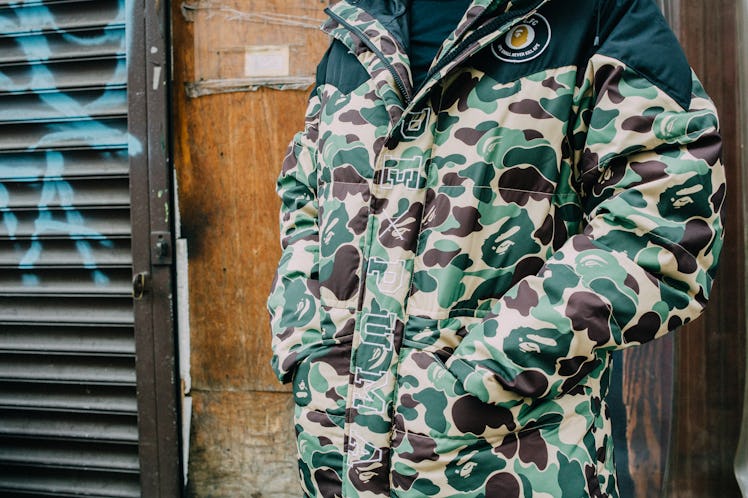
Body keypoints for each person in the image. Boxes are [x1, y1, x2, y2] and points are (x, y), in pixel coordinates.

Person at [267, 0, 725, 496]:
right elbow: (305, 187)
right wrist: (307, 336)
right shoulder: (357, 26)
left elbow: (664, 223)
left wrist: (483, 371)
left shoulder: (594, 17)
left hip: (507, 465)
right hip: (335, 460)